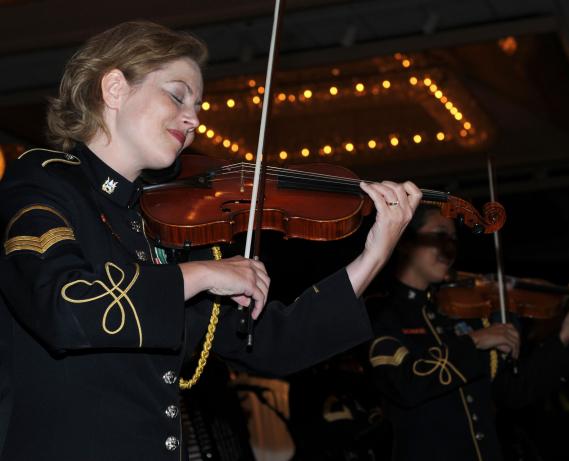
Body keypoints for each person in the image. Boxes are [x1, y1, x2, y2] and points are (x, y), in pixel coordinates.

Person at [0, 21, 421, 461]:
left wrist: (374, 254)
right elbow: (66, 306)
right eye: (177, 95)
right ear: (115, 88)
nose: (194, 118)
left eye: (198, 105)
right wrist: (200, 274)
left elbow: (270, 346)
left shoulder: (167, 224)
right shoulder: (43, 182)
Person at [365, 204, 569, 461]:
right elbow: (405, 384)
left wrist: (567, 332)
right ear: (405, 243)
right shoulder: (381, 313)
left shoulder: (460, 313)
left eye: (454, 239)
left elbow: (513, 392)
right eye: (440, 234)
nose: (450, 248)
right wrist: (474, 341)